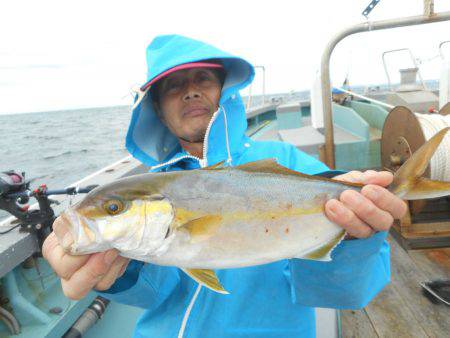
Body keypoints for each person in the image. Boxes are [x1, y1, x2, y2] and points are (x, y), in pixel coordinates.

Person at [43, 35, 407, 338]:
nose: (189, 92)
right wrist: (117, 273)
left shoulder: (288, 163)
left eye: (202, 79)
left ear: (223, 91)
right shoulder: (154, 181)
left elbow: (345, 291)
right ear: (156, 107)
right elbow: (155, 293)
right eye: (173, 86)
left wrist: (352, 241)